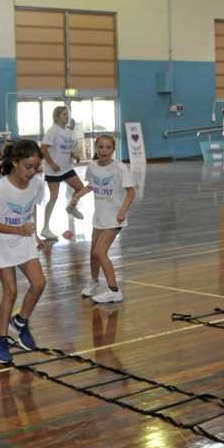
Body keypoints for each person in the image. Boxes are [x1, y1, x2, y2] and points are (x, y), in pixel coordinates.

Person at [0, 139, 48, 365]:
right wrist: (19, 229)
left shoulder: (37, 184)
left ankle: (20, 321)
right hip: (2, 242)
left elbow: (34, 208)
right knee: (10, 291)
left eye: (35, 167)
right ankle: (1, 339)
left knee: (39, 283)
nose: (32, 172)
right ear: (16, 163)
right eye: (28, 167)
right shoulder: (0, 190)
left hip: (23, 240)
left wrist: (35, 234)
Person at [70, 134, 136, 305]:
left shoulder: (120, 168)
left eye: (108, 147)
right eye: (100, 147)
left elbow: (131, 192)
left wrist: (122, 210)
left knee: (100, 252)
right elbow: (91, 186)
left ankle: (114, 291)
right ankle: (94, 282)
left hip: (115, 218)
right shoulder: (92, 166)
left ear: (113, 150)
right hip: (99, 217)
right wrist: (77, 196)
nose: (104, 150)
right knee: (93, 254)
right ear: (96, 148)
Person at [41, 105, 86, 239]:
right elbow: (43, 148)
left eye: (68, 114)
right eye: (64, 114)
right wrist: (52, 163)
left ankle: (71, 207)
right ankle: (45, 228)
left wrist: (74, 156)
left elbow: (67, 149)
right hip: (53, 170)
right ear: (57, 116)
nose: (67, 117)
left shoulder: (67, 131)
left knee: (81, 188)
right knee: (53, 198)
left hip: (66, 168)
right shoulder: (53, 131)